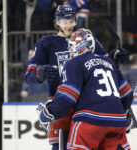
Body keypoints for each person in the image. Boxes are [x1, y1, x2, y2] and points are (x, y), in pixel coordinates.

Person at [25, 4, 130, 150]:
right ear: (56, 22)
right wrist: (39, 72)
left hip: (87, 104)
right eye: (64, 21)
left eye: (71, 21)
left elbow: (104, 63)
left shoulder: (85, 38)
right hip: (61, 104)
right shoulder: (46, 43)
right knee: (61, 145)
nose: (69, 25)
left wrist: (115, 56)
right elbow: (29, 76)